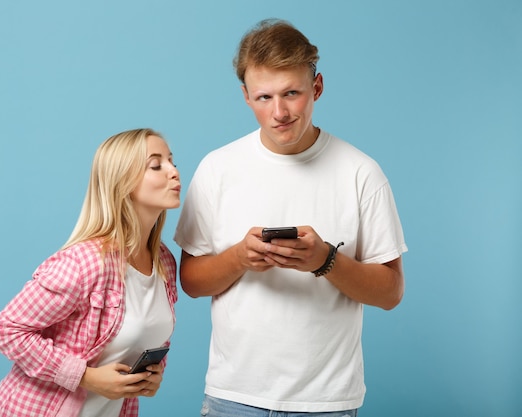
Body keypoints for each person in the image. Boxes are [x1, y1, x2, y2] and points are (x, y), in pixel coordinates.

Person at [174, 19, 408, 416]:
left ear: (316, 87)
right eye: (264, 97)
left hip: (327, 403)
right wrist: (238, 258)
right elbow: (191, 282)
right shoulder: (218, 168)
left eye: (292, 93)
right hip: (234, 397)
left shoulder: (361, 173)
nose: (278, 112)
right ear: (246, 96)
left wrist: (325, 261)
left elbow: (391, 292)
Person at [0, 128, 181, 417]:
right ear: (122, 181)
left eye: (172, 162)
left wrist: (151, 377)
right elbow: (7, 330)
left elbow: (149, 336)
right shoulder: (85, 262)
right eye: (156, 165)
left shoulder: (164, 261)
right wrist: (86, 377)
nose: (173, 172)